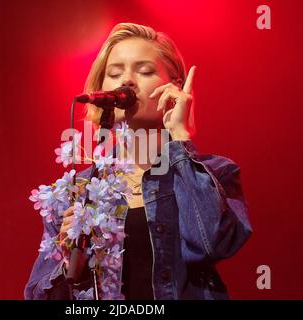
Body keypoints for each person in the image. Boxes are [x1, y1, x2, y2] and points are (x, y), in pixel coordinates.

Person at [24, 22, 252, 300]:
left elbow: (212, 243)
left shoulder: (215, 173)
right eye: (114, 73)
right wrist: (70, 260)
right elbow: (39, 296)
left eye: (144, 71)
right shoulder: (77, 193)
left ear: (174, 87)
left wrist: (180, 138)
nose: (127, 80)